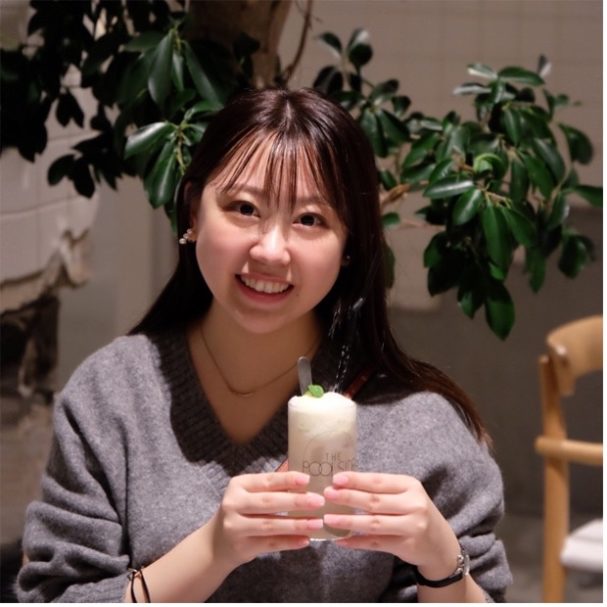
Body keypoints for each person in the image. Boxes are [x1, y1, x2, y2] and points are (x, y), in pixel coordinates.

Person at [17, 88, 511, 602]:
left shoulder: (415, 424)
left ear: (349, 244)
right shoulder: (112, 396)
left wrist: (440, 560)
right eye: (245, 208)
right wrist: (214, 549)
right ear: (194, 212)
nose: (271, 251)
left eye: (310, 219)